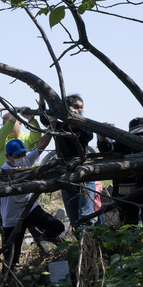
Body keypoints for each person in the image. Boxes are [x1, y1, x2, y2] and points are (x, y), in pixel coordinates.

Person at [0, 134, 64, 272]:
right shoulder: (1, 173)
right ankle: (8, 284)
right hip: (12, 218)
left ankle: (45, 237)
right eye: (18, 155)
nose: (22, 157)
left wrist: (51, 127)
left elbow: (41, 146)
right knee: (11, 259)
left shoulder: (27, 161)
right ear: (8, 156)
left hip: (31, 209)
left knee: (57, 227)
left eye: (23, 153)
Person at [97, 117, 143, 238]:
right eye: (139, 134)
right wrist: (102, 137)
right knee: (128, 223)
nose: (142, 137)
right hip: (127, 190)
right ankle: (131, 249)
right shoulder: (124, 144)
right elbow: (107, 148)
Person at [44, 94, 96, 229]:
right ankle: (82, 245)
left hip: (84, 175)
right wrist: (42, 96)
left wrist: (76, 124)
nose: (79, 110)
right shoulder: (60, 127)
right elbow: (44, 118)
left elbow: (88, 136)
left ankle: (90, 246)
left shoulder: (85, 128)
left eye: (81, 108)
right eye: (75, 107)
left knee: (85, 216)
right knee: (74, 220)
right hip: (66, 175)